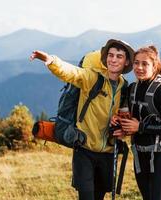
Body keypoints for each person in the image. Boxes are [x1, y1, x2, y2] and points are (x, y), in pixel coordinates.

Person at [30, 39, 134, 200]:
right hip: (84, 149)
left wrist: (120, 127)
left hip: (108, 152)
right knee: (86, 196)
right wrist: (50, 60)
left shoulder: (125, 88)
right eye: (111, 55)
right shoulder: (92, 78)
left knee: (98, 197)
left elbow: (125, 119)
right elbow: (72, 73)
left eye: (119, 56)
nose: (113, 59)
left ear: (126, 61)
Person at [111, 45, 161, 200]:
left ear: (155, 66)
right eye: (136, 63)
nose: (139, 67)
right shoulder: (132, 88)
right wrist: (121, 125)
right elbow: (133, 119)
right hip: (140, 154)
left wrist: (140, 126)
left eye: (145, 64)